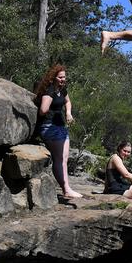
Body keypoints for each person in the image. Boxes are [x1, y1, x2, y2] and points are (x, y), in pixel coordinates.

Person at [34, 64, 82, 200]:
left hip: (60, 127)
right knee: (59, 159)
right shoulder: (49, 91)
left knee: (63, 159)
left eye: (64, 77)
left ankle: (67, 188)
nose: (63, 79)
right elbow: (43, 110)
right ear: (53, 77)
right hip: (50, 127)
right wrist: (50, 110)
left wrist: (68, 113)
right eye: (60, 77)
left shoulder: (62, 89)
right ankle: (66, 189)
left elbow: (67, 101)